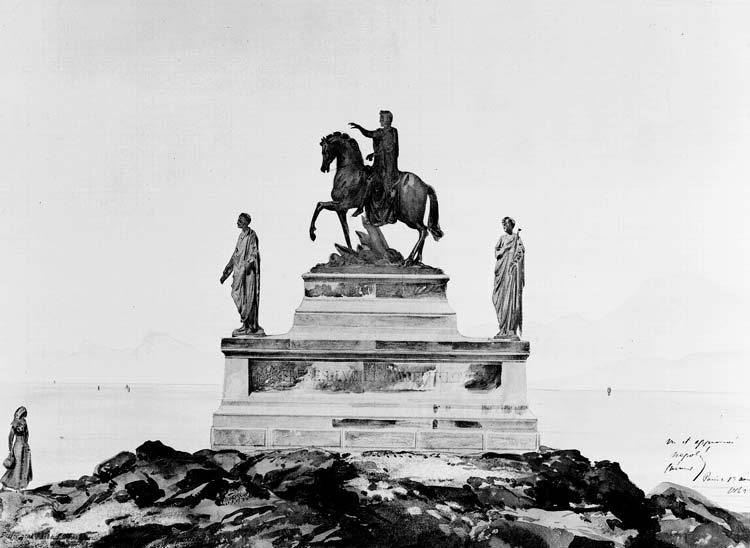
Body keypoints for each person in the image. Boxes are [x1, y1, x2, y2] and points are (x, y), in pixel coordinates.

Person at [349, 110, 400, 219]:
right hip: (385, 164)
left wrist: (359, 128)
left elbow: (369, 134)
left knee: (369, 180)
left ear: (387, 120)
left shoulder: (383, 132)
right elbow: (387, 148)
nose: (380, 121)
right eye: (380, 118)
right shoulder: (393, 132)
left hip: (384, 168)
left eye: (382, 119)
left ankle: (361, 206)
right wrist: (374, 154)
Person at [221, 213, 265, 337]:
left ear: (246, 222)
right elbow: (235, 255)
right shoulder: (241, 236)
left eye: (240, 220)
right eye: (238, 220)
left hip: (248, 273)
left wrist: (249, 263)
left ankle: (249, 326)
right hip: (239, 271)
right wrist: (226, 271)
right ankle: (246, 323)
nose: (238, 222)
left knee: (248, 297)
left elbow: (254, 252)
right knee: (236, 294)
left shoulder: (252, 235)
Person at [492, 217, 525, 339]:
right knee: (498, 298)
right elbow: (496, 253)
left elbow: (521, 254)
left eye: (506, 224)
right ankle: (502, 327)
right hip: (501, 271)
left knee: (511, 298)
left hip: (511, 274)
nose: (504, 226)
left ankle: (510, 329)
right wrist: (504, 249)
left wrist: (515, 263)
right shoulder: (502, 238)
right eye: (503, 225)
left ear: (511, 225)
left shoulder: (517, 239)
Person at [1, 406, 32, 491]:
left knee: (23, 466)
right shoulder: (15, 423)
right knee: (17, 466)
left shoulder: (24, 422)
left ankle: (18, 487)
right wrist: (10, 450)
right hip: (18, 446)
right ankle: (12, 486)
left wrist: (26, 445)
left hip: (23, 446)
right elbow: (10, 437)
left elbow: (26, 435)